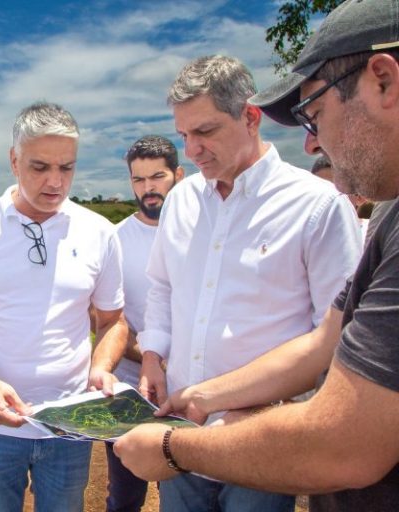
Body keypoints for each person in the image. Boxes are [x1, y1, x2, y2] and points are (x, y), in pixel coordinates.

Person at [114, 1, 399, 510]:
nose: (193, 150)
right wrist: (164, 364)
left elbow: (332, 351)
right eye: (184, 136)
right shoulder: (181, 200)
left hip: (264, 432)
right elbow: (163, 285)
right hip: (181, 415)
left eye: (204, 132)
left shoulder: (316, 206)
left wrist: (266, 411)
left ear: (249, 118)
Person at [0, 101, 127, 512]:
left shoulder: (99, 232)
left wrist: (101, 366)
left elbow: (113, 321)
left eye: (67, 168)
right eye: (40, 167)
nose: (55, 182)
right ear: (13, 160)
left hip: (69, 424)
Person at [104, 135, 183, 512]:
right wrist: (152, 356)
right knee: (125, 493)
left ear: (178, 175)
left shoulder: (200, 232)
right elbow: (107, 316)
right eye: (138, 180)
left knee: (185, 487)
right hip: (129, 380)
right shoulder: (116, 240)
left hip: (189, 382)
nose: (148, 189)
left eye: (158, 176)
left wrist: (172, 362)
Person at [311, 155, 372, 242]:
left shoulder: (373, 234)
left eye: (336, 190)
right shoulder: (302, 237)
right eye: (319, 190)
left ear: (360, 197)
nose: (327, 198)